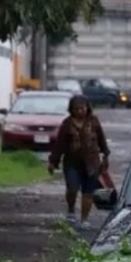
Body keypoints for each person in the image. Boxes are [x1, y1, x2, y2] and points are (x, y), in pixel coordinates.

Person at [48, 94, 109, 228]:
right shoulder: (67, 124)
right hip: (72, 163)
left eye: (83, 108)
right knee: (72, 188)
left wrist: (105, 155)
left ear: (87, 108)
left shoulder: (94, 122)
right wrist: (53, 161)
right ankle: (71, 210)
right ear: (72, 110)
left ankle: (84, 219)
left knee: (88, 192)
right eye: (77, 109)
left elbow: (101, 139)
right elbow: (60, 144)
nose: (80, 111)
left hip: (92, 163)